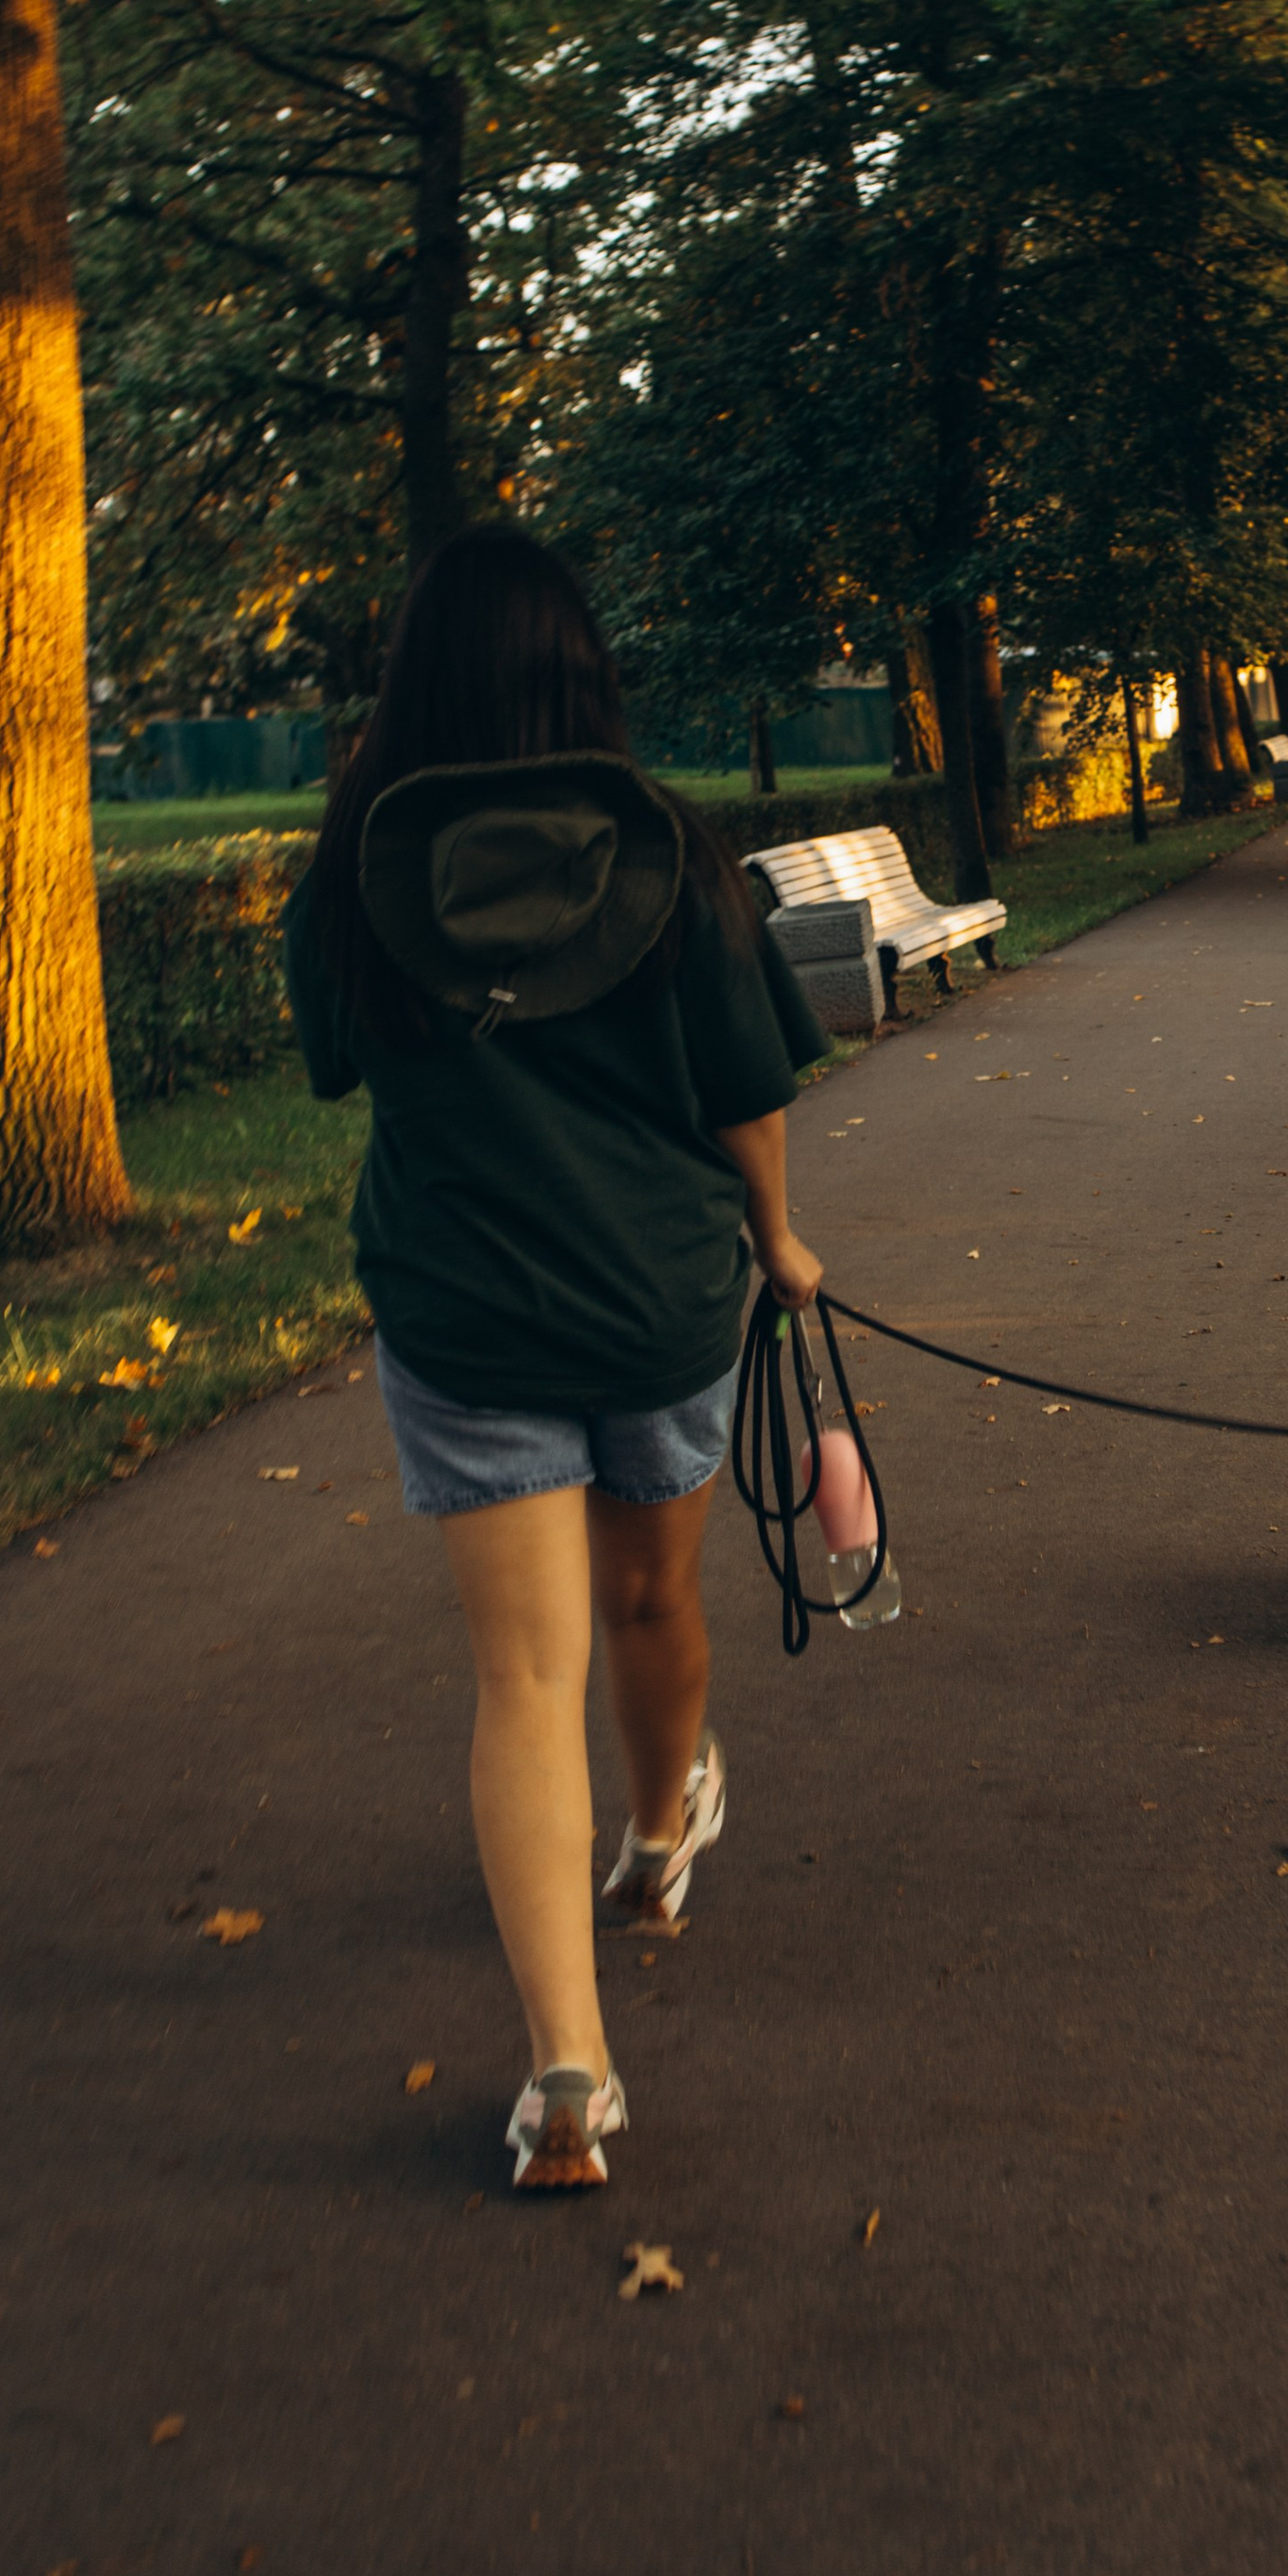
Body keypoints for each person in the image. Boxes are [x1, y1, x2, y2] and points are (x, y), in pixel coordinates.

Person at [286, 526, 828, 2191]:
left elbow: (338, 1064)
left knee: (523, 1682)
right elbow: (747, 1091)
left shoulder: (361, 869)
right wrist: (783, 1244)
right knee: (653, 1603)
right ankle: (658, 1841)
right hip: (654, 1299)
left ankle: (566, 2077)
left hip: (464, 1312)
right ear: (582, 665)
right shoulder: (673, 852)